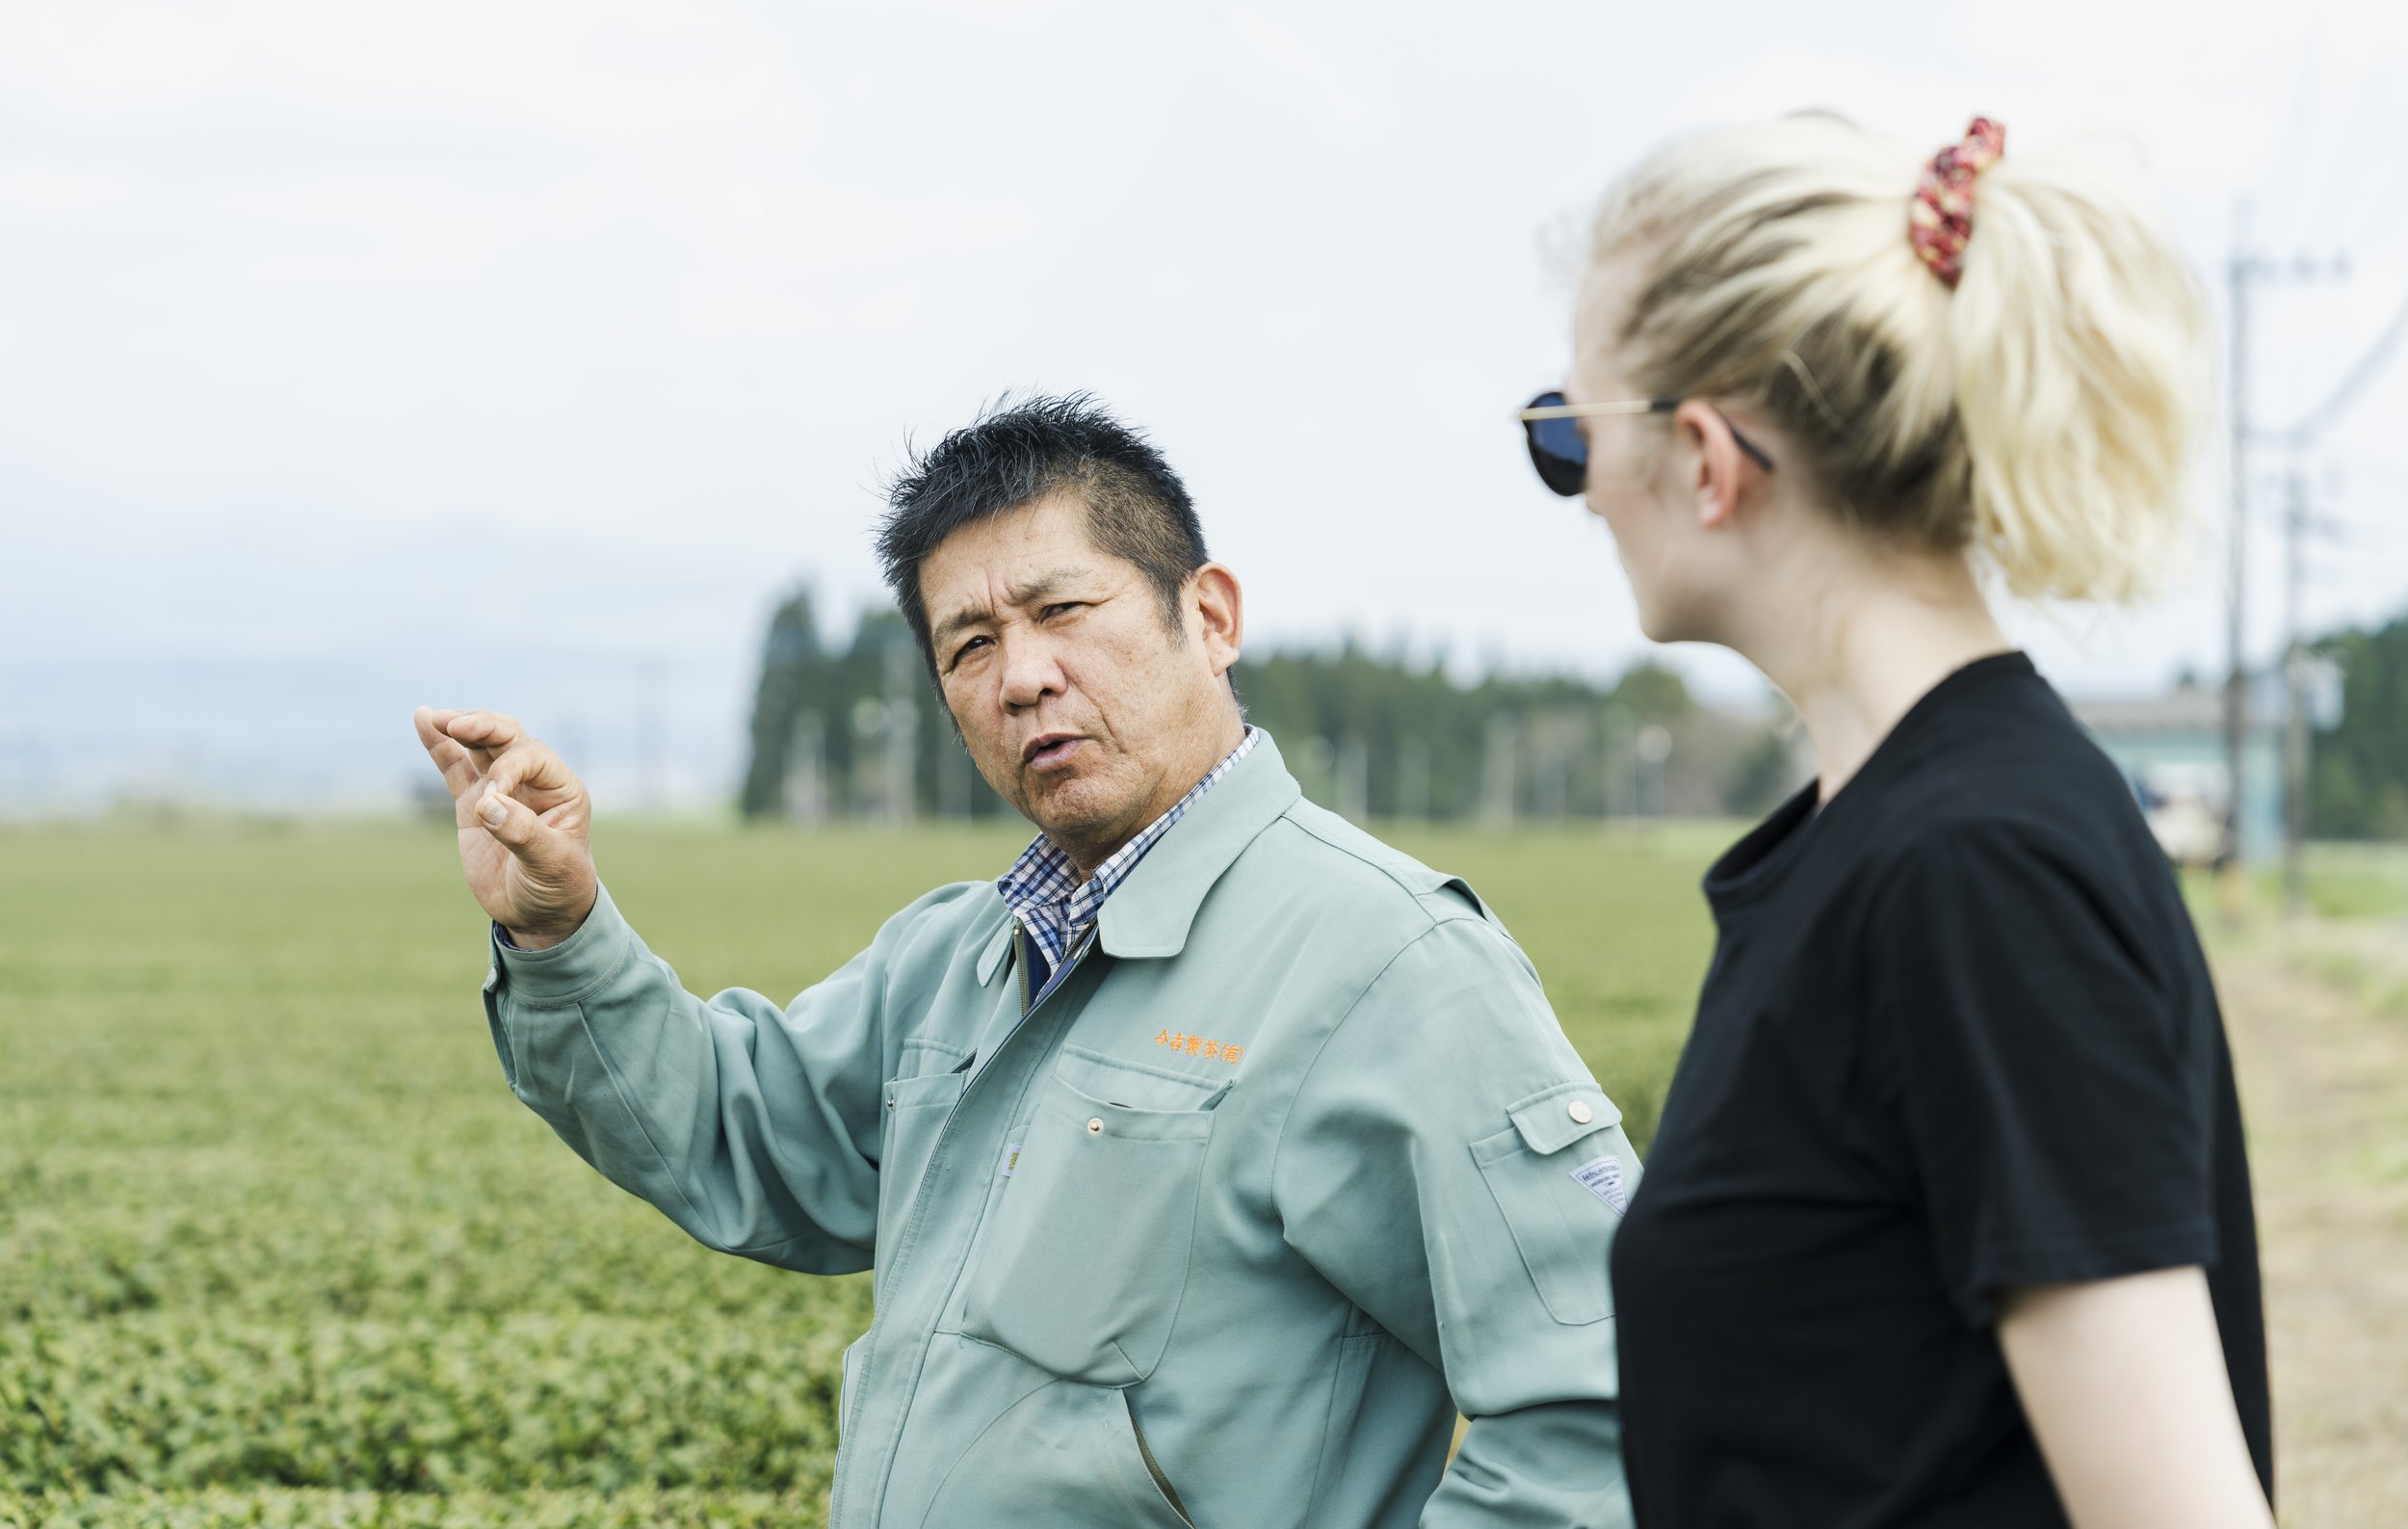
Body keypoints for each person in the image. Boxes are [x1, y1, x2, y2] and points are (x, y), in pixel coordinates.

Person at [414, 395, 1636, 1529]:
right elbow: (739, 1130)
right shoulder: (961, 952)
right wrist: (560, 933)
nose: (1024, 676)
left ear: (1207, 617)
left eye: (1063, 611)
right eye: (968, 645)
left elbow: (1607, 1410)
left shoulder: (1390, 962)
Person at [1515, 116, 2273, 1528]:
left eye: (1566, 436)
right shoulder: (1883, 840)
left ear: (1703, 457)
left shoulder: (1973, 869)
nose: (1577, 492)